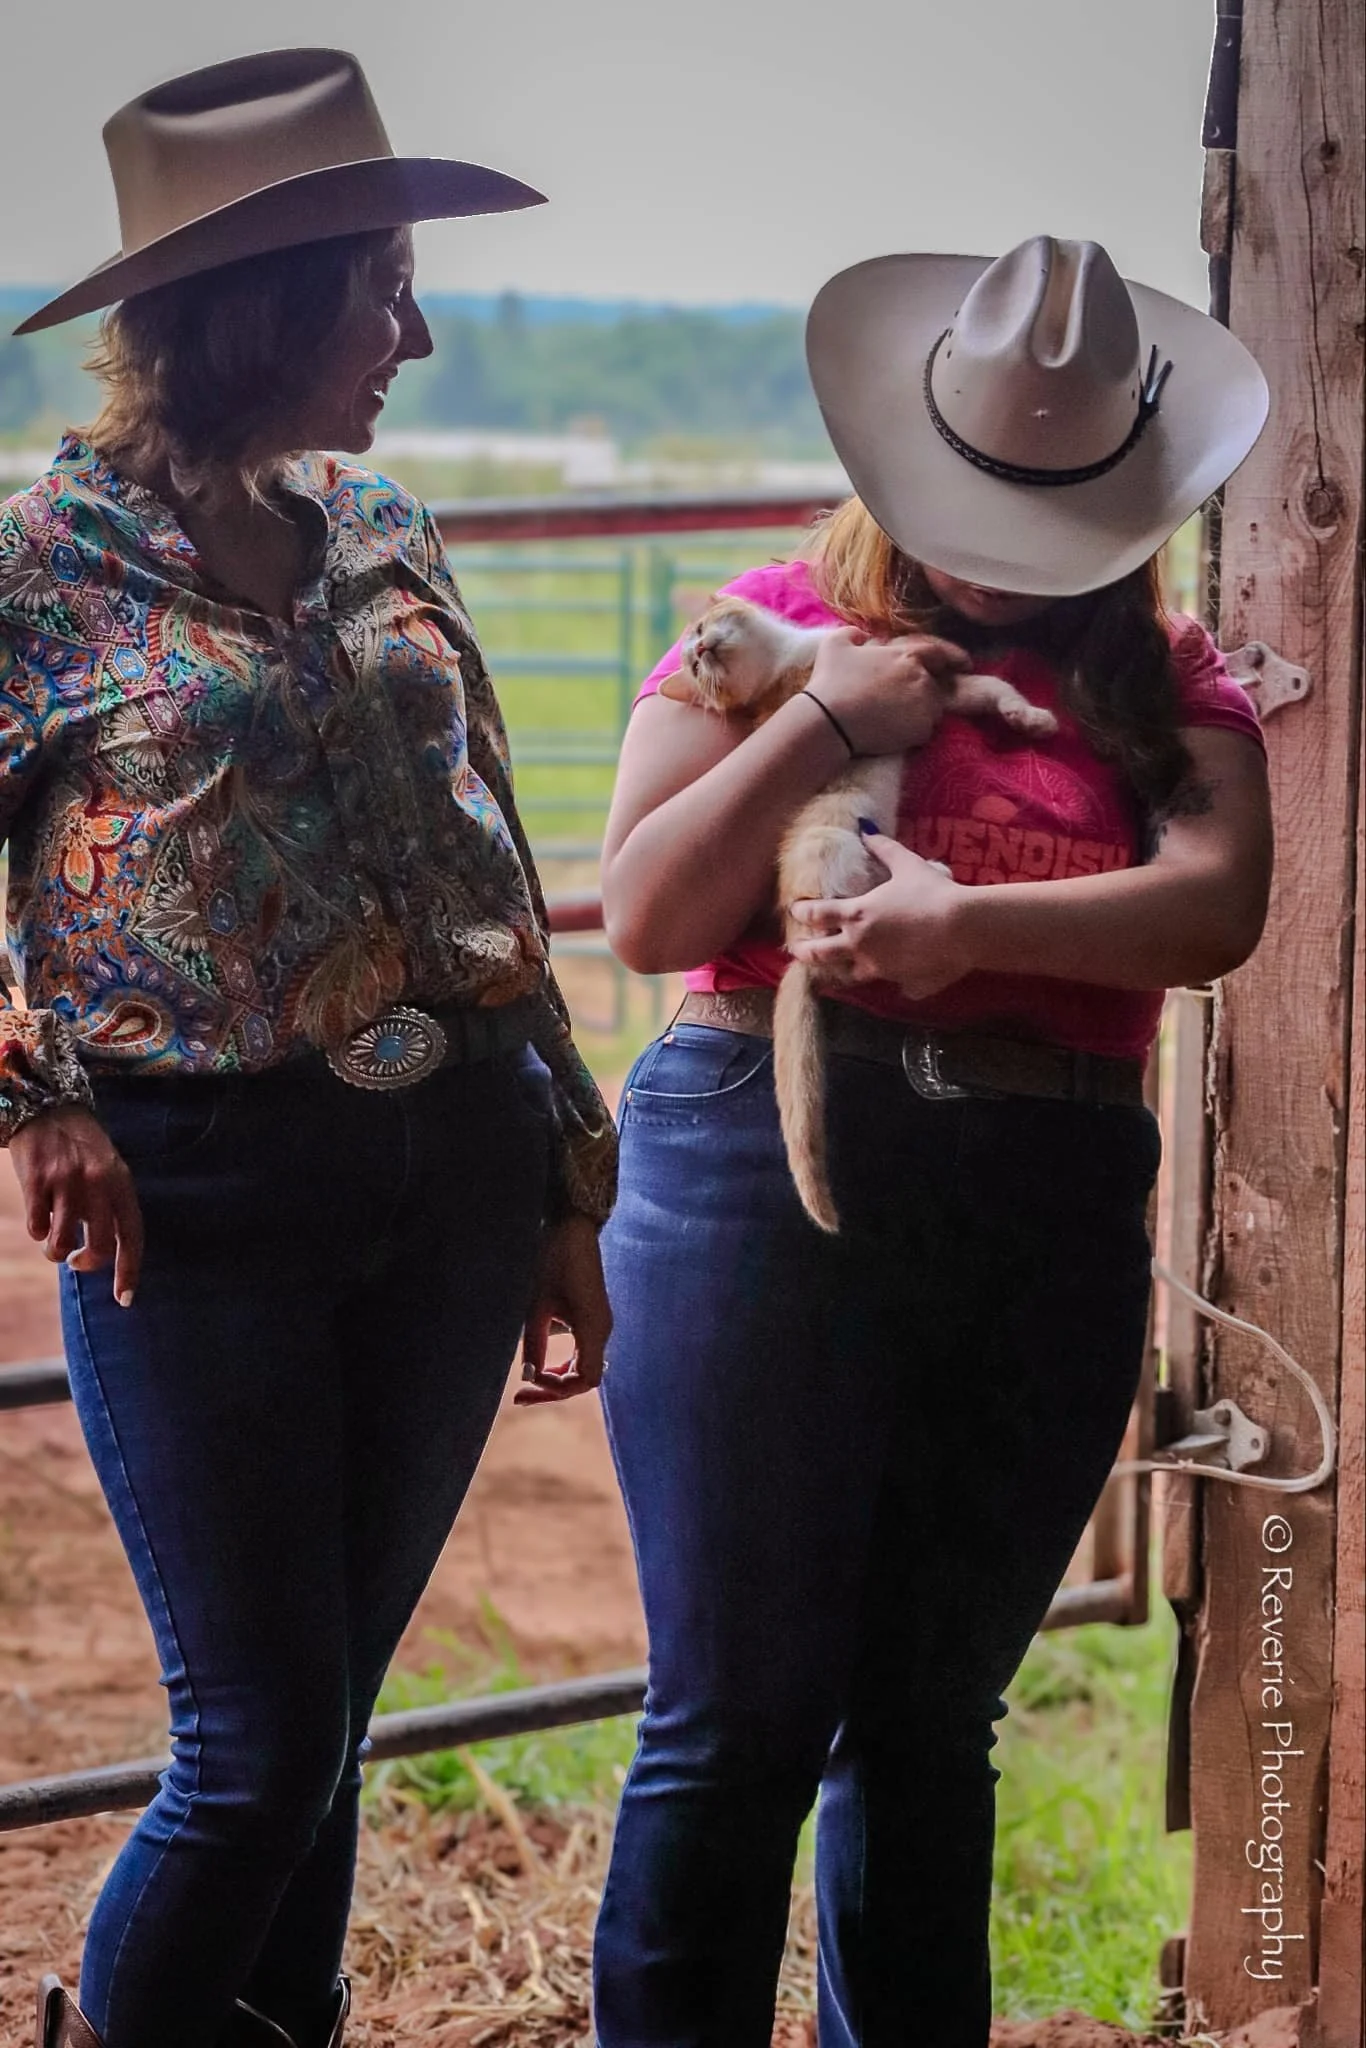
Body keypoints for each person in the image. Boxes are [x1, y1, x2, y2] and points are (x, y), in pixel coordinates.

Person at [593, 235, 1272, 2045]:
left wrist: (963, 928)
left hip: (1042, 1187)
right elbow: (650, 912)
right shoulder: (762, 634)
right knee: (731, 1713)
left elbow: (1212, 906)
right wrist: (824, 712)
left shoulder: (1168, 675)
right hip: (764, 1142)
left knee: (927, 1714)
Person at [1, 49, 615, 2048]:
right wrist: (37, 1092)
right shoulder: (40, 563)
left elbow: (488, 851)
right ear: (261, 308)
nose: (414, 339)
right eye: (384, 293)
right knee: (252, 1747)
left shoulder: (377, 524)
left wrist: (561, 1168)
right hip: (196, 1199)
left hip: (448, 1168)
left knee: (325, 1722)